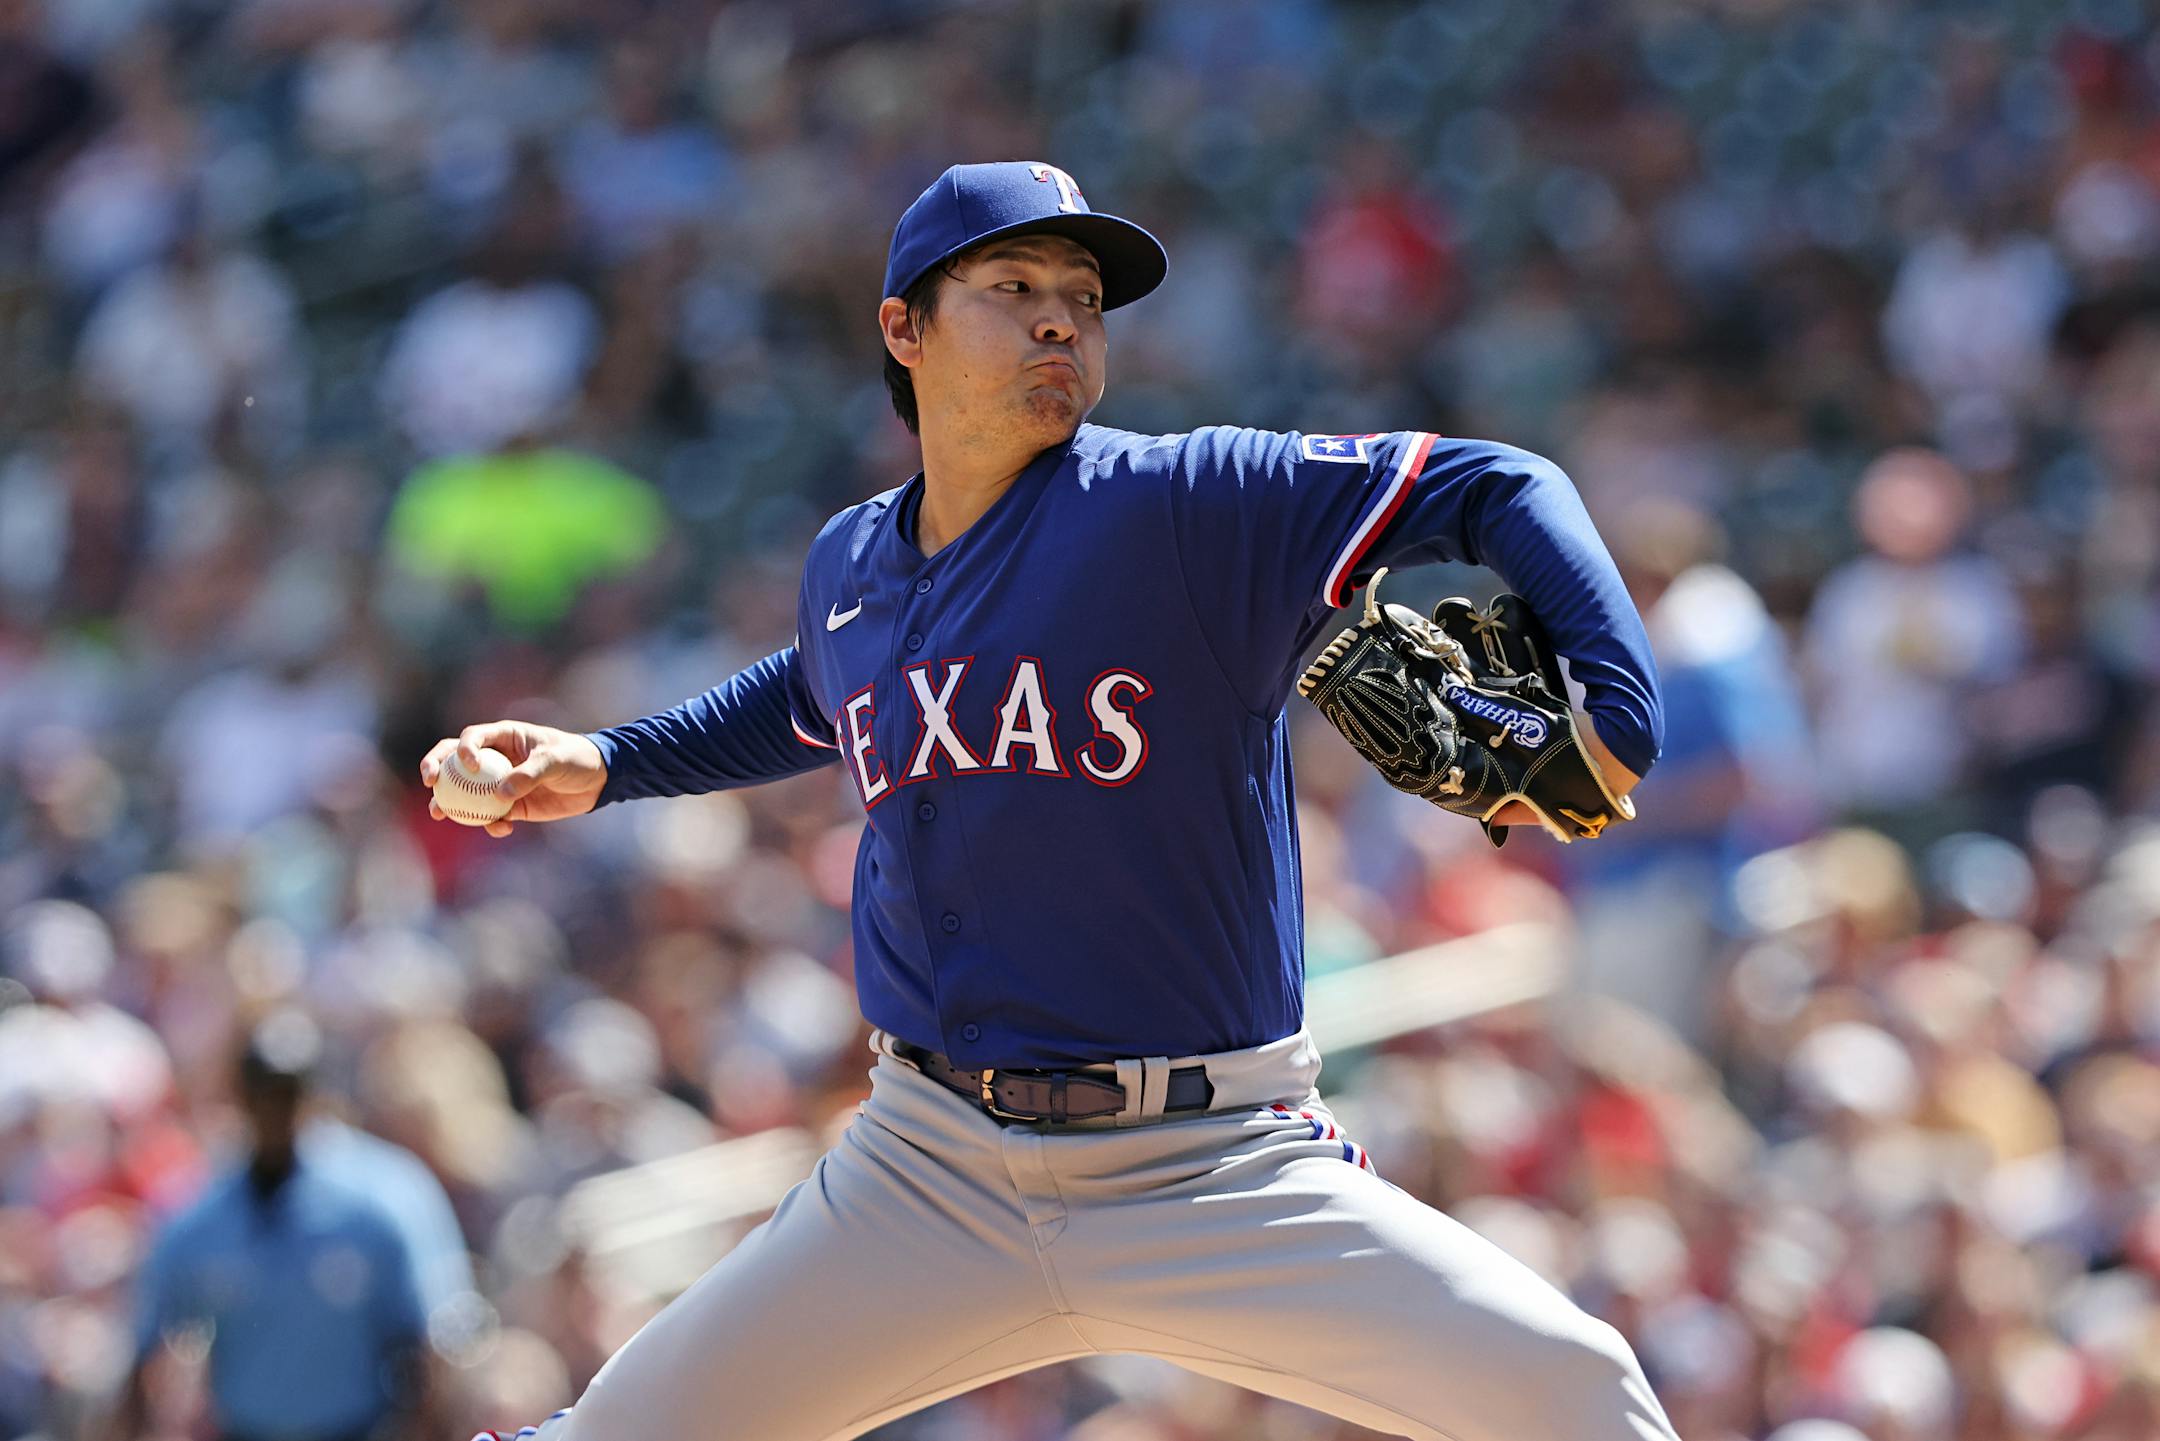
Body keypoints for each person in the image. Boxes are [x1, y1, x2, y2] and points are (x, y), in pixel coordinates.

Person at [428, 161, 1675, 1441]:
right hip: (926, 1173)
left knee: (1575, 1395)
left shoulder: (1184, 504)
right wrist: (609, 762)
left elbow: (1500, 484)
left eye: (1082, 298)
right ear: (903, 330)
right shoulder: (850, 562)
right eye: (1012, 286)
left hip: (1211, 1161)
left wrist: (1617, 709)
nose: (1060, 321)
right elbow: (813, 689)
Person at [105, 1012, 434, 1441]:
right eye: (263, 1093)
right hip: (245, 1430)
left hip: (357, 1429)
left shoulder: (378, 1205)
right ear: (240, 1097)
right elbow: (147, 1346)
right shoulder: (200, 1218)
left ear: (315, 1097)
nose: (275, 1110)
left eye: (288, 1093)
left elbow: (422, 1343)